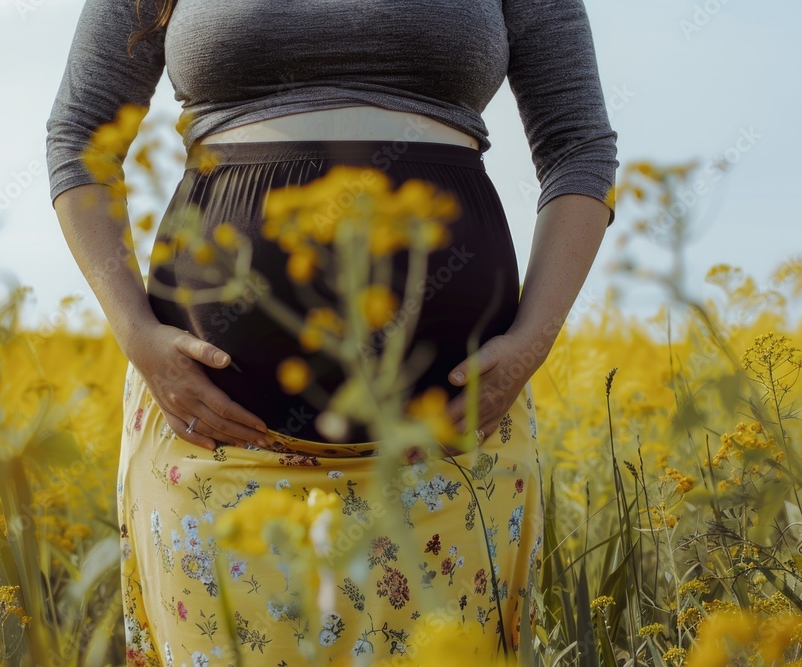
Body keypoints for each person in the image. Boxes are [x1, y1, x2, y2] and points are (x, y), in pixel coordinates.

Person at [46, 0, 618, 664]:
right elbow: (81, 136)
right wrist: (138, 334)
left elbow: (579, 147)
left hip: (451, 444)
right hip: (210, 437)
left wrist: (531, 344)